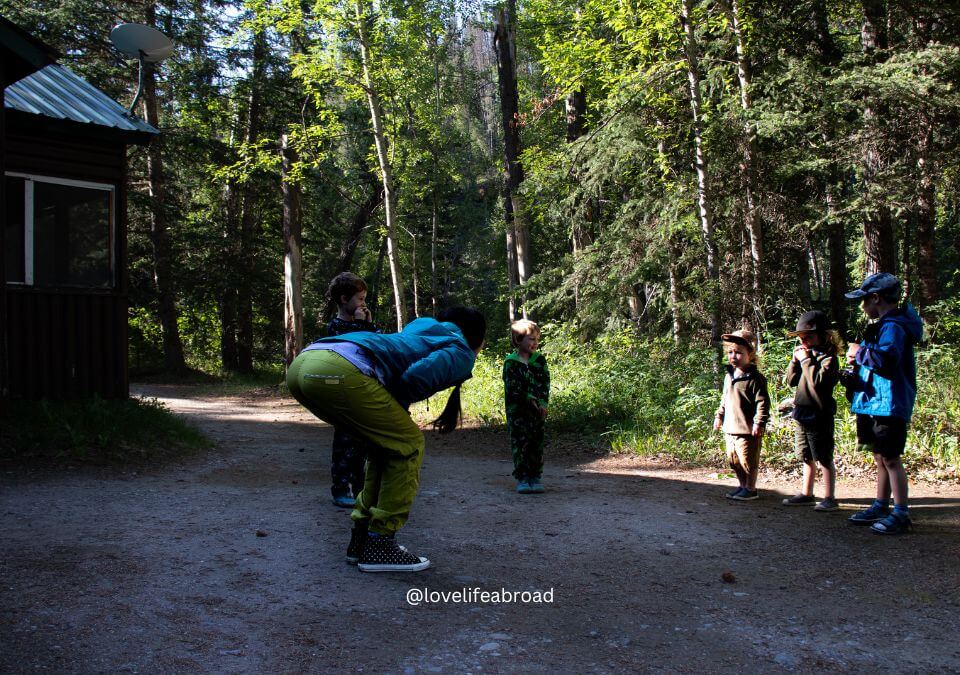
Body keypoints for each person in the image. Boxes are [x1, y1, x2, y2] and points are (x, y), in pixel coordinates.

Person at [287, 307, 486, 572]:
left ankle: (362, 539)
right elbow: (413, 378)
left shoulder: (425, 326)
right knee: (409, 443)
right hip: (341, 369)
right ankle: (380, 542)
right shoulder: (462, 351)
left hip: (305, 364)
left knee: (386, 447)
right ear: (478, 339)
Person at [841, 273, 923, 535]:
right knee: (880, 456)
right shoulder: (880, 326)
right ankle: (881, 505)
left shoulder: (894, 327)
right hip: (874, 402)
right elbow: (874, 364)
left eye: (863, 300)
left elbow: (888, 360)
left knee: (891, 458)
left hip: (889, 404)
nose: (862, 306)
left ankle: (901, 513)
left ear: (876, 298)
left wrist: (859, 353)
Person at [325, 272, 381, 508]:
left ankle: (360, 488)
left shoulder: (362, 324)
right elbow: (350, 347)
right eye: (359, 299)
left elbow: (375, 344)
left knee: (363, 444)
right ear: (344, 299)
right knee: (345, 443)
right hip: (344, 391)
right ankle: (340, 488)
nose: (363, 304)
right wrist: (360, 325)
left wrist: (367, 325)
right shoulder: (335, 326)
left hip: (363, 389)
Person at [781, 310, 842, 511]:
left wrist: (806, 360)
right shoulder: (804, 356)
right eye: (801, 338)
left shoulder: (829, 360)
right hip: (801, 413)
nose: (804, 342)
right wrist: (794, 361)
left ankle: (829, 497)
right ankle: (807, 493)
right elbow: (791, 381)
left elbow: (817, 382)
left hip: (820, 414)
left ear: (824, 336)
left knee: (823, 456)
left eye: (809, 337)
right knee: (805, 456)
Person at [714, 329, 770, 501]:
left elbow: (763, 403)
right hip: (730, 427)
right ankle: (742, 485)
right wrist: (719, 416)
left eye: (739, 353)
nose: (734, 356)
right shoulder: (729, 376)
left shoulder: (755, 378)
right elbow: (724, 399)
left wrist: (759, 423)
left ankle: (751, 488)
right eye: (731, 352)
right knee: (734, 460)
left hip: (747, 429)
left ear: (750, 354)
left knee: (748, 460)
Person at [503, 319, 550, 494]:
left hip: (537, 412)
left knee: (536, 442)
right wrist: (529, 399)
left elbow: (545, 384)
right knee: (520, 442)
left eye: (537, 339)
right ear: (518, 339)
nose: (535, 343)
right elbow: (513, 388)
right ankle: (523, 478)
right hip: (518, 412)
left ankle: (535, 476)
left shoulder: (540, 361)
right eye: (531, 339)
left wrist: (543, 403)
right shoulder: (511, 362)